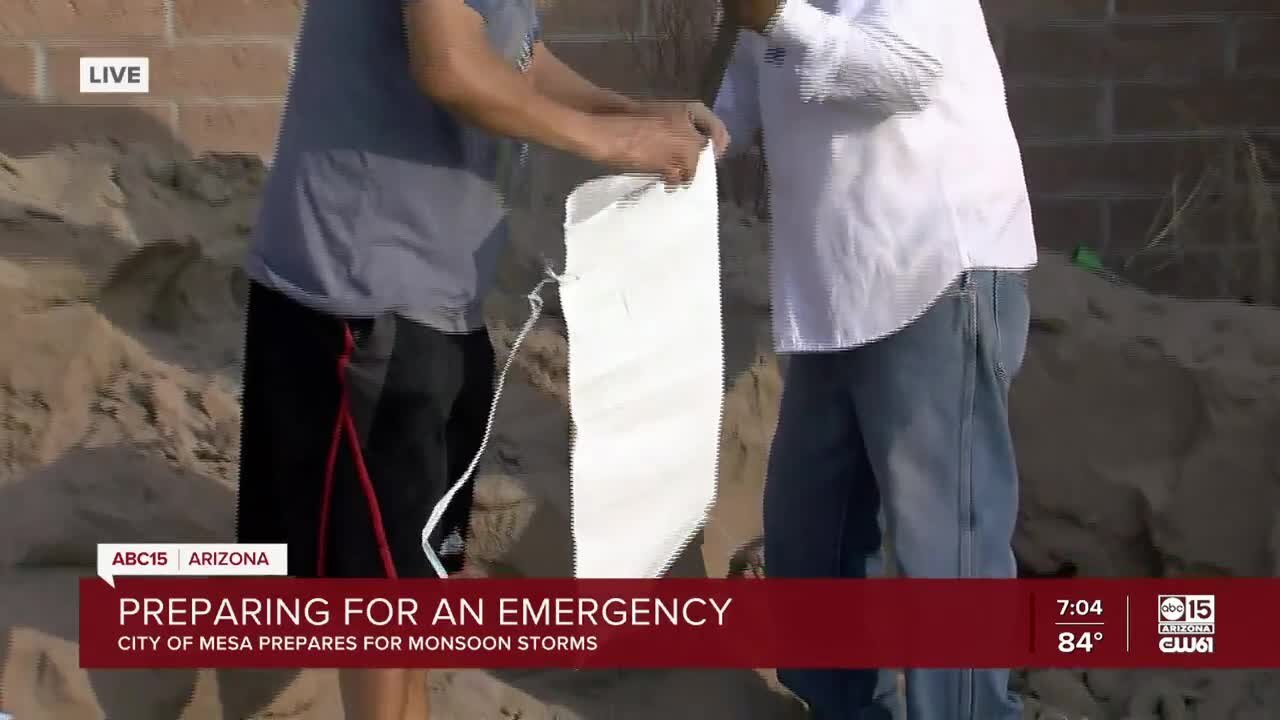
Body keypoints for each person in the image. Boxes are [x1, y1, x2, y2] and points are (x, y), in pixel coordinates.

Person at [233, 0, 728, 718]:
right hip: (361, 293)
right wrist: (615, 144)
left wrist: (633, 114)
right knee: (377, 607)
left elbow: (511, 52)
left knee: (411, 591)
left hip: (437, 296)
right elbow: (451, 66)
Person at [713, 0, 1037, 718]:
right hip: (834, 294)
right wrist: (679, 138)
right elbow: (743, 89)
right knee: (809, 535)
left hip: (934, 273)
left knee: (944, 552)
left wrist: (774, 16)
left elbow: (906, 72)